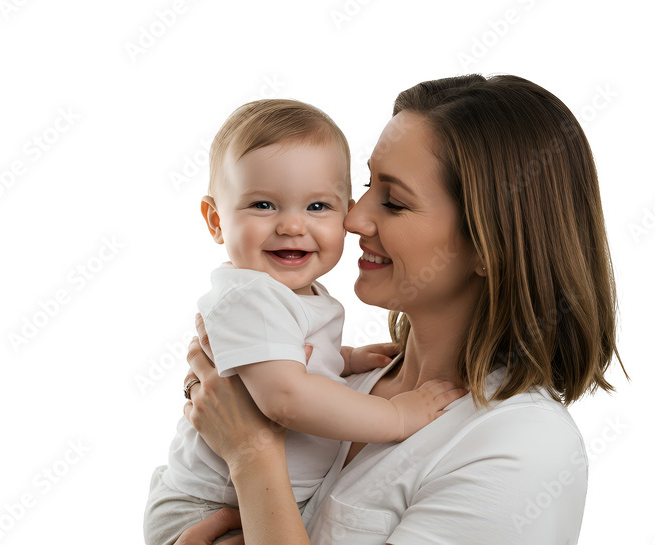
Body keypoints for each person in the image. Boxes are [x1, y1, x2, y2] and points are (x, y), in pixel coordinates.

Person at [176, 75, 628, 544]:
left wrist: (251, 453)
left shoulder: (522, 447)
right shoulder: (339, 382)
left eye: (393, 202)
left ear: (488, 247)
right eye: (366, 184)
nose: (353, 219)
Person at [144, 99, 467, 545]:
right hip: (206, 506)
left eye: (317, 206)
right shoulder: (252, 296)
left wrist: (346, 358)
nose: (292, 226)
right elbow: (285, 396)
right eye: (263, 205)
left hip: (255, 498)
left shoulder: (295, 294)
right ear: (216, 221)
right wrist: (396, 416)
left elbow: (293, 360)